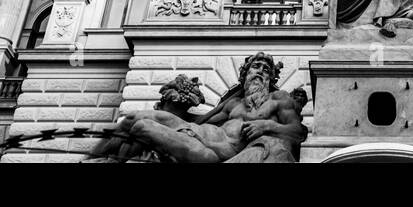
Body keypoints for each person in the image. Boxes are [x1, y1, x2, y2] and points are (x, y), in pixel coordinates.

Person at [126, 53, 307, 163]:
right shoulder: (232, 104)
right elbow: (199, 121)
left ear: (270, 79)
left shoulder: (278, 98)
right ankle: (98, 155)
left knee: (142, 128)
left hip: (218, 151)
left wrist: (266, 126)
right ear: (246, 74)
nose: (260, 71)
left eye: (266, 70)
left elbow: (298, 131)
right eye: (256, 67)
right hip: (201, 134)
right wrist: (177, 104)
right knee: (134, 118)